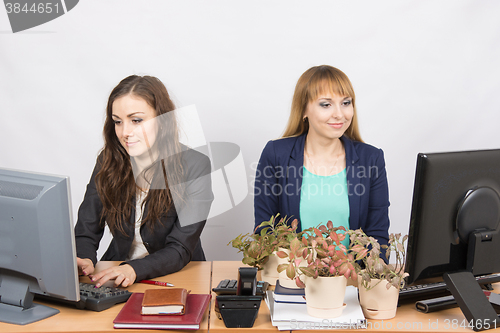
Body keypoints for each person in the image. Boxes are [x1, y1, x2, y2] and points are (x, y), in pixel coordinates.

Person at [75, 75, 213, 287]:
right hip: (117, 274)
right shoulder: (108, 160)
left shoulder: (195, 165)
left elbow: (180, 248)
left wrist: (133, 269)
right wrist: (84, 258)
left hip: (175, 277)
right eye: (117, 122)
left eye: (136, 120)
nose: (125, 132)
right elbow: (86, 230)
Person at [254, 65, 389, 249]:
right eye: (326, 104)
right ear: (303, 110)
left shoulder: (371, 159)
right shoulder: (276, 154)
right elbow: (265, 233)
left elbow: (378, 236)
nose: (339, 114)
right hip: (294, 276)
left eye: (346, 103)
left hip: (354, 277)